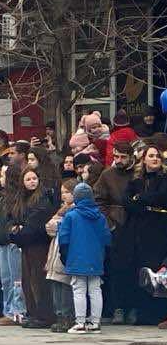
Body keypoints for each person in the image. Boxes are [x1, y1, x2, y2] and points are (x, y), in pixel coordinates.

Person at [7, 168, 59, 329]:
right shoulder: (19, 199)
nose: (32, 182)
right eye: (28, 179)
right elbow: (12, 219)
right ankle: (33, 313)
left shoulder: (43, 199)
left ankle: (44, 315)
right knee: (27, 280)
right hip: (26, 245)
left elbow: (35, 223)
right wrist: (15, 230)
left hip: (39, 244)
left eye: (34, 178)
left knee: (39, 280)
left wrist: (20, 231)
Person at [58, 182, 110, 333]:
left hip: (76, 257)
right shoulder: (100, 216)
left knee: (79, 289)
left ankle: (80, 322)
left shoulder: (71, 216)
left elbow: (64, 239)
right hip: (96, 258)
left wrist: (65, 256)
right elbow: (107, 238)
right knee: (95, 289)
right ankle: (95, 323)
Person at [125, 143, 167, 326]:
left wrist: (141, 198)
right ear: (144, 160)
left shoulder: (164, 178)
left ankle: (159, 313)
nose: (155, 158)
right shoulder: (136, 181)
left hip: (160, 226)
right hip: (141, 227)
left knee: (158, 269)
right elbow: (127, 201)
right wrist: (141, 202)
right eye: (151, 156)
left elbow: (161, 197)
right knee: (142, 269)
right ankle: (144, 312)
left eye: (157, 156)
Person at [94, 142, 136, 323]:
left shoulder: (137, 173)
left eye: (123, 157)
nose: (118, 160)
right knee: (116, 268)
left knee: (135, 267)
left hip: (136, 224)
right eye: (116, 156)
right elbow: (98, 200)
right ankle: (118, 308)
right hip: (115, 224)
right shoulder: (107, 175)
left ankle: (133, 307)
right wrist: (109, 222)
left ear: (131, 157)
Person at [0, 165, 26, 325]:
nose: (0, 178)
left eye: (3, 175)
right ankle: (7, 310)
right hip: (2, 241)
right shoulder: (4, 197)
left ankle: (18, 310)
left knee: (16, 278)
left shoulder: (18, 198)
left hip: (13, 242)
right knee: (5, 278)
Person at [45, 179, 77, 332]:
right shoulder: (61, 210)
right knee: (55, 282)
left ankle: (67, 316)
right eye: (62, 192)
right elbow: (49, 228)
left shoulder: (75, 210)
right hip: (55, 249)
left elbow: (60, 227)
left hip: (65, 250)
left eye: (67, 192)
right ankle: (59, 315)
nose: (64, 195)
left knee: (65, 284)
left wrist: (57, 225)